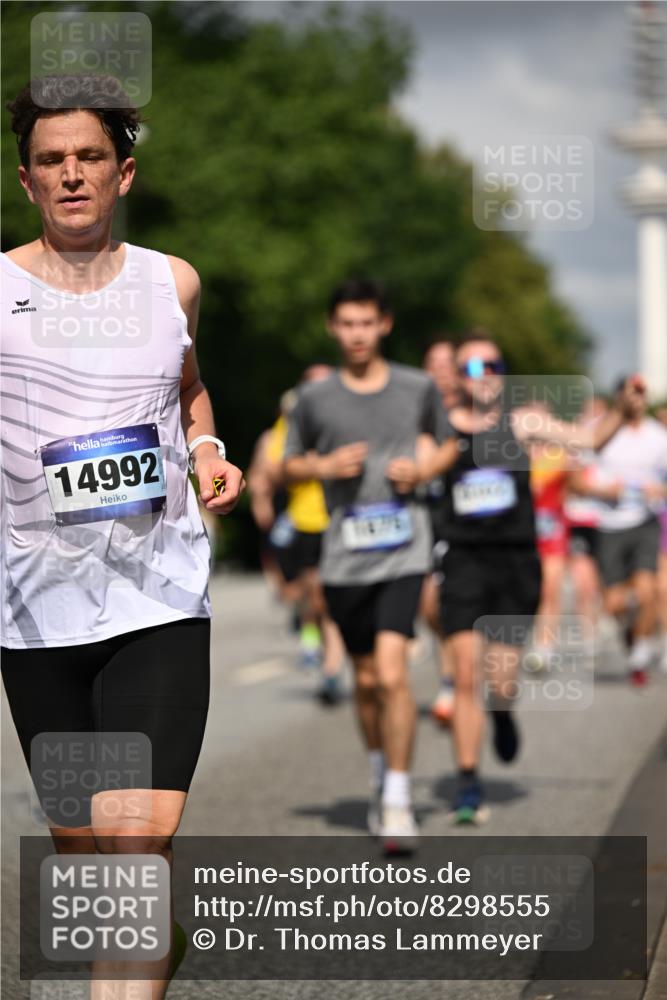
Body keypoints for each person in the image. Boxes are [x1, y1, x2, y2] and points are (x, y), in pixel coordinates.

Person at [0, 77, 244, 996]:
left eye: (89, 158)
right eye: (51, 162)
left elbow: (187, 393)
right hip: (33, 607)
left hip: (159, 595)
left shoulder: (169, 281)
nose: (71, 175)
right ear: (28, 182)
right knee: (87, 849)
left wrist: (210, 451)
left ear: (124, 172)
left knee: (137, 839)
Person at [397, 331, 627, 824]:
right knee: (465, 675)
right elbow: (407, 471)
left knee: (501, 680)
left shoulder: (524, 422)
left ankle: (501, 712)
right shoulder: (439, 428)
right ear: (458, 377)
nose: (486, 376)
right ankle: (466, 781)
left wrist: (622, 410)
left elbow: (590, 440)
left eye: (494, 366)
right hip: (461, 559)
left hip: (515, 561)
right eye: (473, 368)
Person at [284, 279, 453, 852]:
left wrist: (425, 473)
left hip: (405, 551)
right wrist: (323, 466)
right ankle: (382, 771)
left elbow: (451, 442)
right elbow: (286, 467)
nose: (357, 334)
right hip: (343, 558)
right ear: (334, 328)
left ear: (385, 325)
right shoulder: (315, 399)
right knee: (362, 681)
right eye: (346, 323)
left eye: (367, 322)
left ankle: (400, 799)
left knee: (391, 672)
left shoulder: (417, 386)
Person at [573, 378, 667, 684]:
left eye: (641, 395)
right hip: (608, 526)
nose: (636, 401)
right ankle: (630, 629)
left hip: (644, 521)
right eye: (630, 394)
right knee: (613, 603)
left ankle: (639, 653)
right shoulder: (600, 432)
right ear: (619, 398)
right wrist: (603, 492)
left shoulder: (658, 436)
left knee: (650, 590)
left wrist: (659, 490)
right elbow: (574, 482)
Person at [263, 368, 346, 700]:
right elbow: (274, 468)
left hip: (344, 519)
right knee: (312, 595)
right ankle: (316, 643)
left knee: (329, 595)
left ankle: (332, 668)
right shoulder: (293, 421)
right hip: (305, 522)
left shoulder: (350, 413)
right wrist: (321, 465)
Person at [421, 338, 459, 723]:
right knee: (431, 606)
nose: (441, 370)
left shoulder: (474, 410)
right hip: (431, 516)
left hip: (472, 523)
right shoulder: (416, 409)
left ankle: (458, 680)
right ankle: (452, 678)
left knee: (451, 604)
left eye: (448, 362)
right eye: (433, 363)